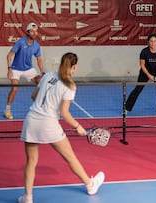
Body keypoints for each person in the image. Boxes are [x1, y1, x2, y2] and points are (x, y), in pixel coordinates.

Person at [18, 53, 104, 203]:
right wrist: (78, 126)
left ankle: (28, 198)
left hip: (31, 120)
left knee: (31, 162)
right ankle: (90, 185)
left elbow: (33, 96)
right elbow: (64, 113)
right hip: (49, 124)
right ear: (74, 67)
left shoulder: (47, 76)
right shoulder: (70, 85)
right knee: (70, 157)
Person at [5, 22, 45, 120]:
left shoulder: (36, 45)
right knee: (15, 88)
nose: (35, 33)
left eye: (36, 32)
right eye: (32, 31)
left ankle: (38, 106)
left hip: (28, 69)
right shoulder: (20, 42)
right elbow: (9, 54)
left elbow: (39, 59)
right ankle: (7, 109)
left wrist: (42, 72)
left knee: (41, 82)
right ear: (27, 32)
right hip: (15, 69)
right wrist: (9, 69)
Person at [125, 34, 156, 114]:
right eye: (151, 41)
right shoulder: (144, 51)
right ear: (148, 42)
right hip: (145, 73)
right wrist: (149, 75)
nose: (152, 43)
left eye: (154, 41)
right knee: (137, 90)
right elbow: (142, 65)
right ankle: (126, 108)